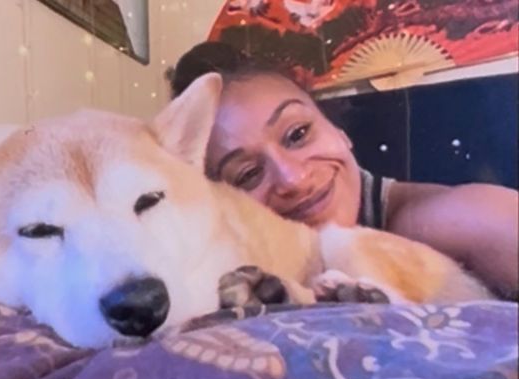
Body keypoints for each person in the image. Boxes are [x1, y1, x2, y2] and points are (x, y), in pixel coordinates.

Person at [169, 41, 518, 300]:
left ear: (338, 131)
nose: (293, 179)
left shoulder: (457, 219)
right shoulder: (236, 270)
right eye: (248, 174)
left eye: (298, 134)